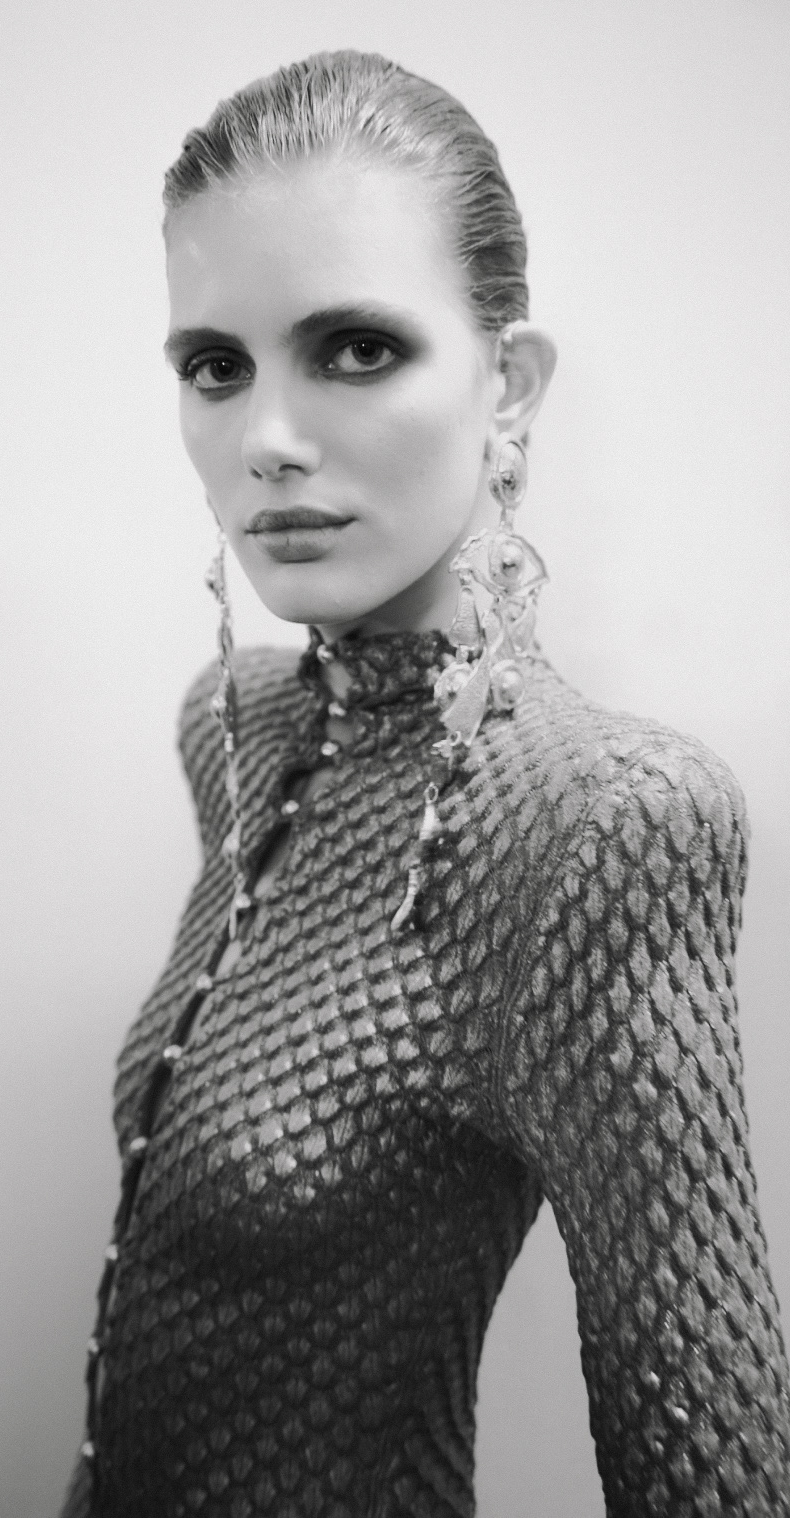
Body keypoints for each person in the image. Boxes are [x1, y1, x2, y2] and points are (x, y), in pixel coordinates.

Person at [60, 49, 790, 1518]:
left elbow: (711, 1456)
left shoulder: (603, 822)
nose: (267, 440)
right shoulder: (238, 728)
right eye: (215, 366)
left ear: (505, 386)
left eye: (356, 349)